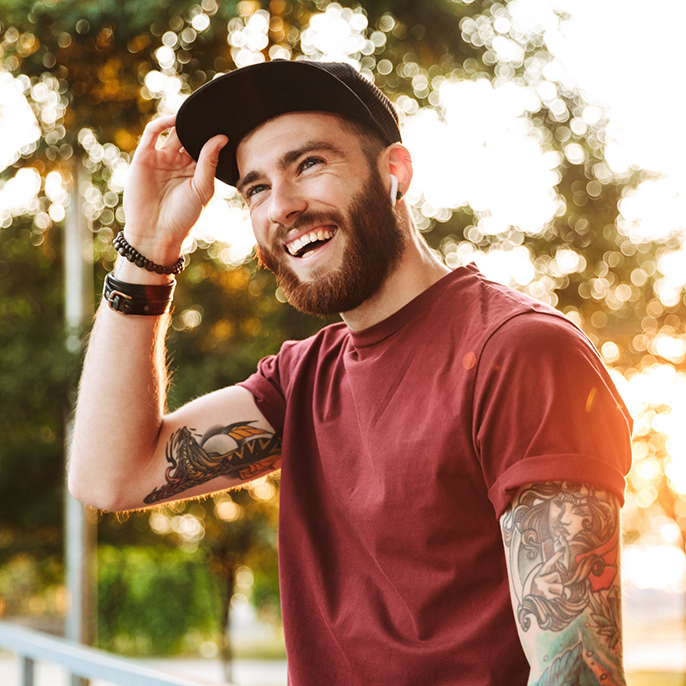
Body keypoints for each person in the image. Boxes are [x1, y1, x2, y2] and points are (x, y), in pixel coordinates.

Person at [69, 60, 633, 685]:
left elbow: (577, 673)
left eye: (308, 163)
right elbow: (109, 476)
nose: (281, 205)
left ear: (395, 173)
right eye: (255, 188)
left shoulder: (519, 352)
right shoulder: (303, 378)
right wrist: (147, 248)